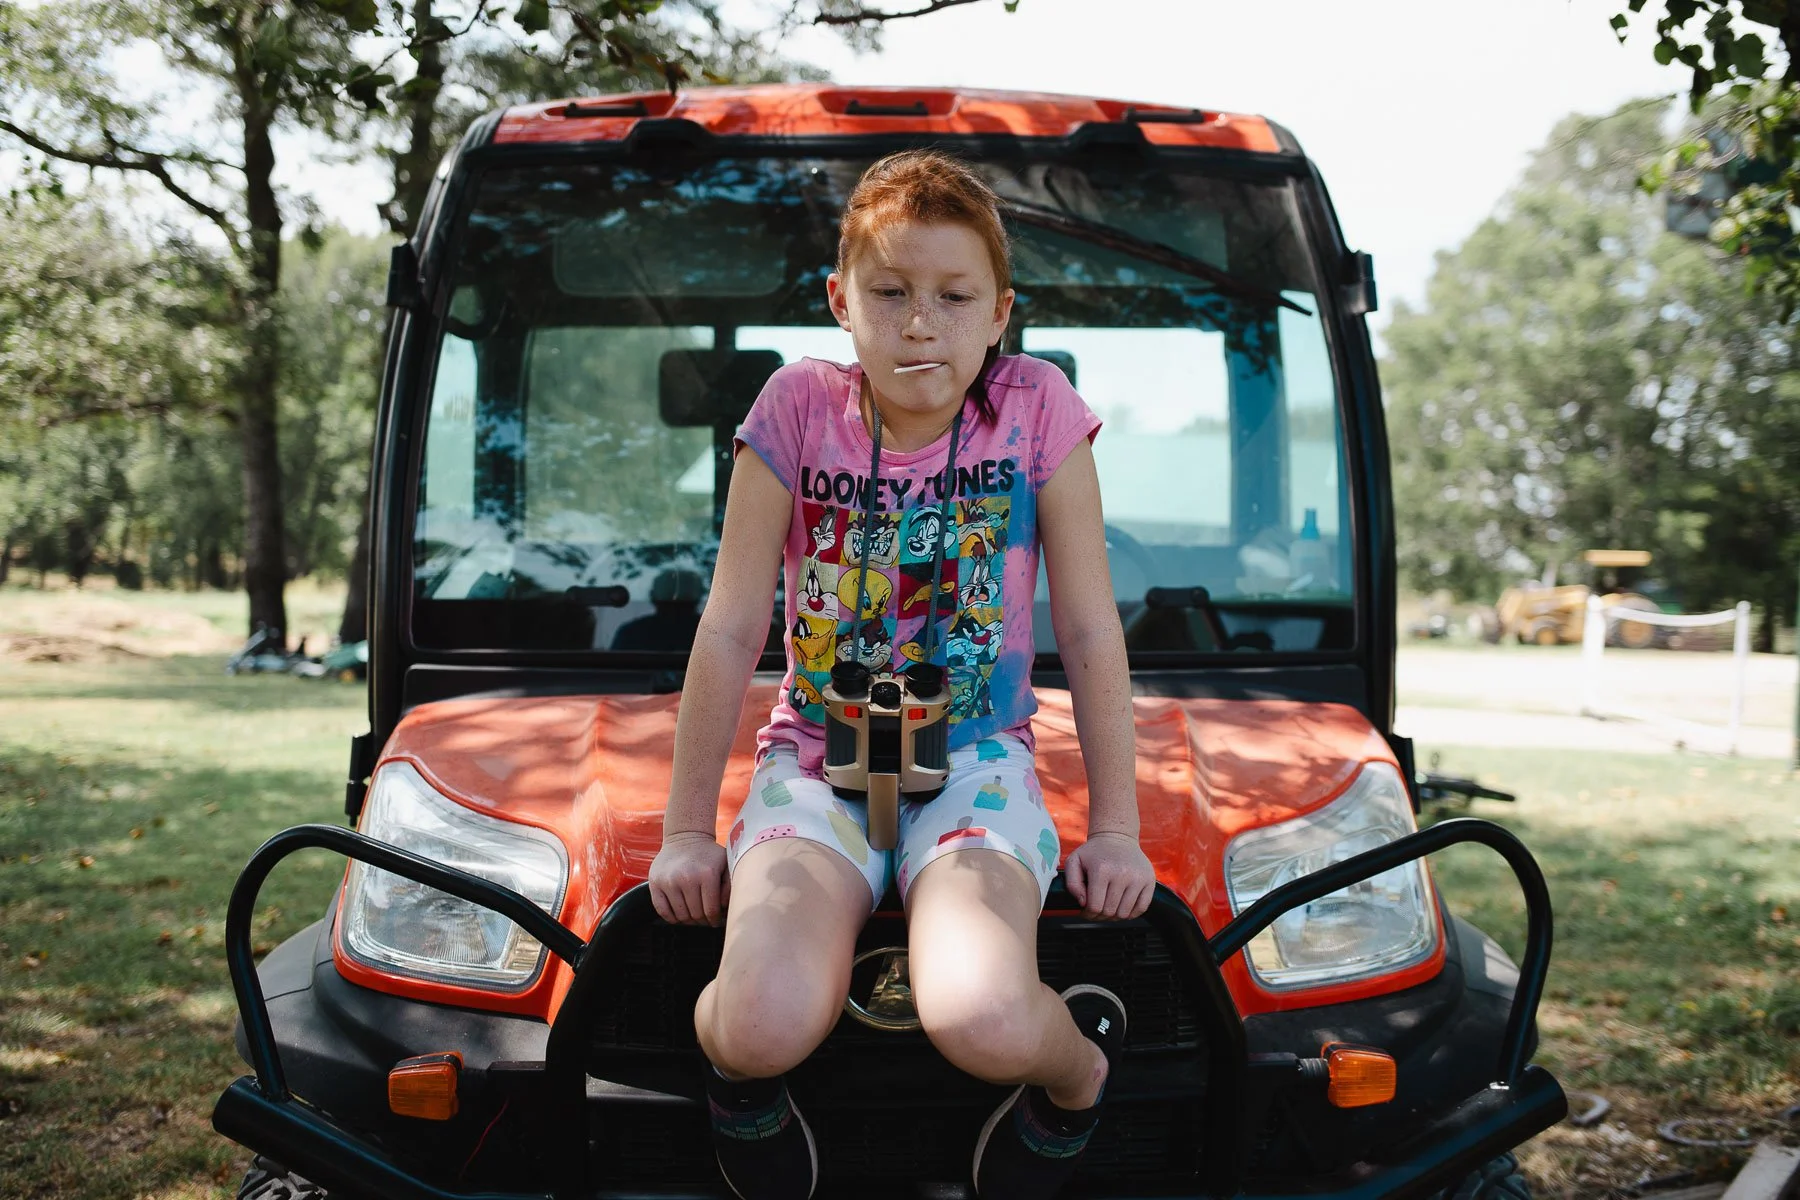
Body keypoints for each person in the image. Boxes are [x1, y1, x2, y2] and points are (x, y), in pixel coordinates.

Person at [647, 149, 1154, 1200]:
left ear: (999, 312)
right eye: (890, 292)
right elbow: (733, 623)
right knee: (753, 1024)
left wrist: (1117, 828)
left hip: (976, 763)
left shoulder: (1038, 412)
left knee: (987, 1016)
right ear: (841, 300)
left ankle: (1077, 1075)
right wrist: (687, 831)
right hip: (815, 761)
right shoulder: (794, 409)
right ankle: (737, 1084)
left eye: (954, 296)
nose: (921, 322)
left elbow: (1094, 629)